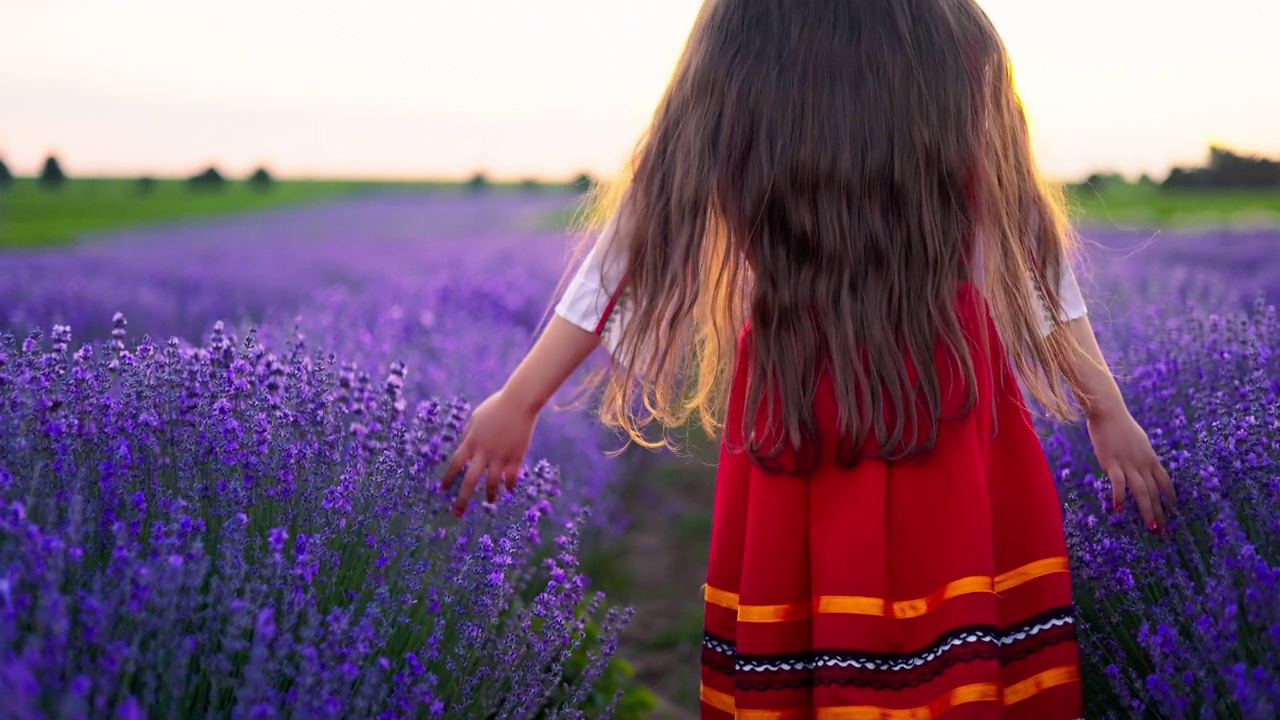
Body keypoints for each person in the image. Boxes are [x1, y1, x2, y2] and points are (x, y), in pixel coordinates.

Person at [441, 0, 1177, 716]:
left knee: (812, 660)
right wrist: (1104, 409)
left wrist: (522, 398)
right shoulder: (955, 27)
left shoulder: (740, 25)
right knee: (953, 660)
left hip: (800, 382)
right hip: (941, 380)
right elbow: (1023, 242)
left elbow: (634, 243)